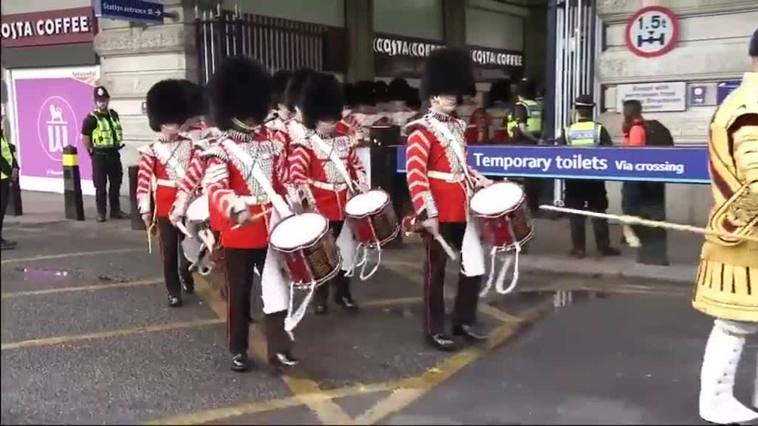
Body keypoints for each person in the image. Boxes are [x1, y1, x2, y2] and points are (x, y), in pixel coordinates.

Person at [203, 56, 297, 372]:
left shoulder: (270, 143)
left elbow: (282, 179)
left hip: (270, 225)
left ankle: (279, 348)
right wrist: (235, 206)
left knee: (276, 286)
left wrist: (296, 199)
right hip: (240, 228)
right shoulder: (220, 148)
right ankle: (238, 348)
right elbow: (215, 187)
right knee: (240, 292)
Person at [405, 48, 493, 351]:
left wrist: (477, 177)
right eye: (445, 93)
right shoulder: (420, 131)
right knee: (436, 273)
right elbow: (416, 175)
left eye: (453, 93)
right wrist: (427, 212)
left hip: (463, 205)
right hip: (439, 208)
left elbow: (459, 163)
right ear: (432, 97)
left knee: (474, 265)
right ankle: (433, 328)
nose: (452, 97)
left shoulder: (457, 126)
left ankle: (463, 319)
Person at [691, 29, 758, 425]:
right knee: (736, 323)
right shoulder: (750, 106)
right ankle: (715, 401)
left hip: (747, 235)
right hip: (746, 237)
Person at [289, 72, 367, 314]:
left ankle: (343, 293)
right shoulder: (306, 145)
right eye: (326, 119)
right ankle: (320, 296)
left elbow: (356, 165)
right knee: (323, 253)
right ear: (315, 118)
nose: (332, 123)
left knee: (345, 250)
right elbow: (296, 175)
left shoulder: (345, 141)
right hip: (320, 205)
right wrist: (308, 201)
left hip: (344, 203)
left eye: (334, 118)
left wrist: (361, 182)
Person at [137, 80, 202, 307]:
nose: (174, 122)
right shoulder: (151, 151)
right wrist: (145, 210)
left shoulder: (191, 145)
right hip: (164, 205)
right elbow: (144, 182)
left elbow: (198, 174)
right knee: (169, 252)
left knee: (191, 246)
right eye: (168, 119)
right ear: (159, 122)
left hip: (190, 203)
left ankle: (186, 272)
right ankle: (173, 291)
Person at [558, 95, 620, 258]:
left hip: (574, 180)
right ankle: (603, 247)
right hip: (595, 179)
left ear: (577, 110)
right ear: (592, 110)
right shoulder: (599, 130)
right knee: (598, 212)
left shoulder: (567, 131)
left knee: (576, 214)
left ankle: (579, 249)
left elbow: (559, 155)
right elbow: (610, 154)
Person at [80, 86, 127, 222]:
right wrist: (91, 151)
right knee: (100, 186)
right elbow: (85, 137)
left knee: (115, 183)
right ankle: (101, 213)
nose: (102, 103)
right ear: (95, 102)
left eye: (104, 100)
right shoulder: (90, 118)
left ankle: (115, 210)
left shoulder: (113, 115)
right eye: (99, 100)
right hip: (99, 155)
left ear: (108, 100)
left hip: (114, 153)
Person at [1, 113, 19, 250]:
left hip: (4, 177)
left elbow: (7, 152)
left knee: (2, 210)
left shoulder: (2, 134)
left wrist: (15, 166)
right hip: (2, 176)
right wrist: (9, 171)